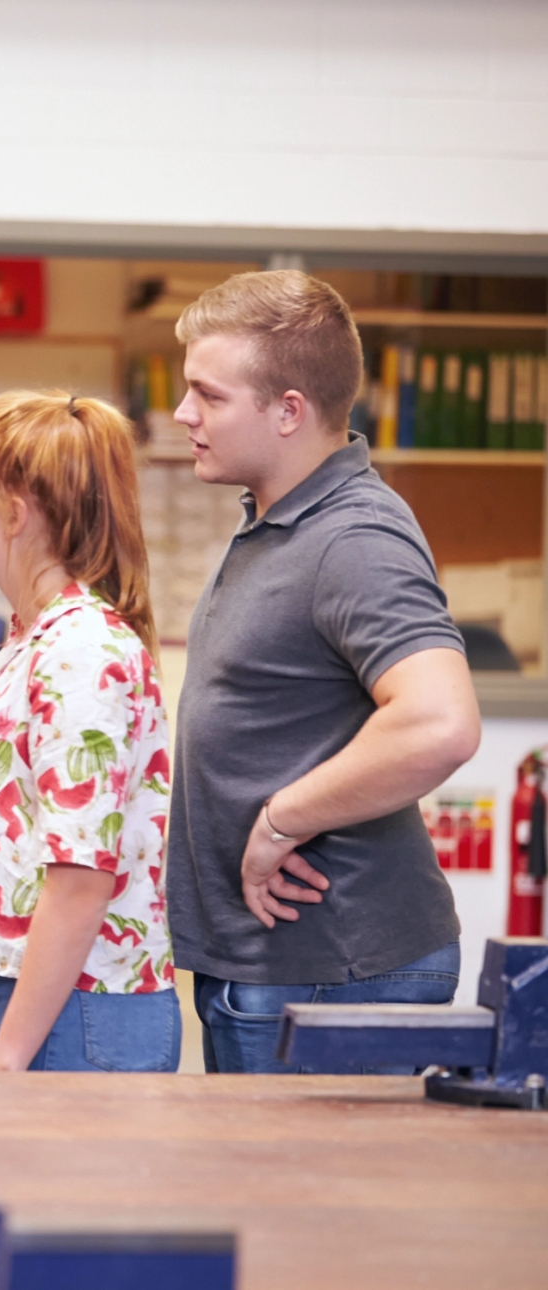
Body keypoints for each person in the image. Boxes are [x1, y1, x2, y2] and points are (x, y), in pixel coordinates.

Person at [167, 270, 480, 1074]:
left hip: (333, 969)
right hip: (278, 966)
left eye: (208, 395)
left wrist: (280, 820)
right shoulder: (278, 522)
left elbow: (440, 722)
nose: (182, 415)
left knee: (298, 1205)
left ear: (289, 411)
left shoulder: (353, 537)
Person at [0, 392, 178, 1072]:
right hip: (41, 998)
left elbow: (80, 880)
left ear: (15, 512)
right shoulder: (35, 637)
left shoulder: (82, 652)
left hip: (79, 1011)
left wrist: (6, 1061)